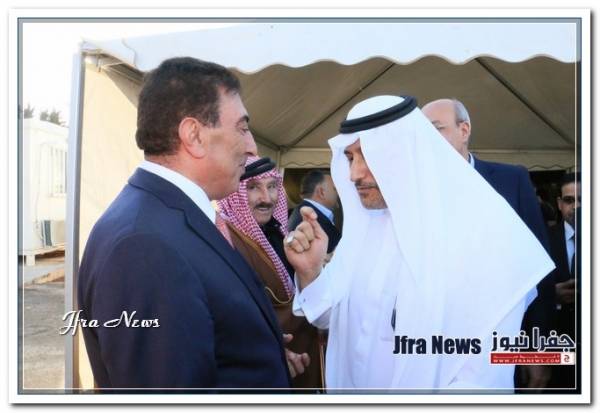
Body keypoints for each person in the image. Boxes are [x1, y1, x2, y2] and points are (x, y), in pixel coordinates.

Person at [285, 95, 554, 390]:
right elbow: (330, 319)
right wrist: (310, 273)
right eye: (350, 158)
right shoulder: (364, 231)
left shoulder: (482, 233)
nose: (354, 174)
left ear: (407, 153)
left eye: (368, 155)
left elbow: (481, 381)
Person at [77, 57, 292, 389]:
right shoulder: (144, 247)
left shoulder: (166, 219)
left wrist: (262, 354)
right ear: (194, 135)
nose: (251, 148)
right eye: (242, 128)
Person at [421, 98, 556, 390]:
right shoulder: (417, 192)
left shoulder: (511, 180)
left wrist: (539, 349)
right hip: (438, 349)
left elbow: (538, 266)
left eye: (436, 129)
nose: (427, 140)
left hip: (504, 339)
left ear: (464, 130)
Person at [217, 156, 323, 389]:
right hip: (259, 373)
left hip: (301, 364)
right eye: (254, 188)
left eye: (272, 186)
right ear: (235, 193)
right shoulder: (225, 240)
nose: (267, 198)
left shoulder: (277, 233)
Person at [546, 172, 581, 392]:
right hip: (557, 343)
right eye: (569, 200)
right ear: (559, 204)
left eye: (582, 199)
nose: (576, 206)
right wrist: (552, 295)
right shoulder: (543, 239)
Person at [288, 170, 341, 254]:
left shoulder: (300, 212)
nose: (338, 194)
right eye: (335, 189)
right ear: (322, 192)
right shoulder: (311, 219)